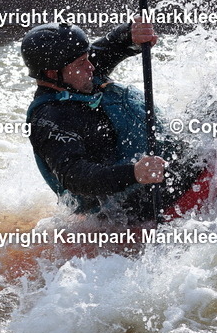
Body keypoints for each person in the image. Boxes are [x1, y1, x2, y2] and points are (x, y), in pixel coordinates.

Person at [21, 19, 195, 224]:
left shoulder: (74, 73)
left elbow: (111, 44)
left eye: (87, 58)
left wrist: (132, 32)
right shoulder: (49, 120)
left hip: (157, 165)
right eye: (81, 63)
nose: (91, 66)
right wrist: (135, 173)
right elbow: (76, 176)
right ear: (52, 74)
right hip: (125, 206)